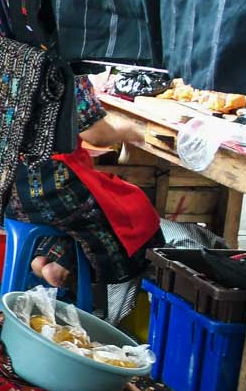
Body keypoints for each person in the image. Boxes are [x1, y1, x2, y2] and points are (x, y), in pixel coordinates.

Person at [16, 76, 160, 312]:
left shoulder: (13, 54)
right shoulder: (66, 69)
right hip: (50, 184)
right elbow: (96, 135)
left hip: (12, 187)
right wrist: (129, 131)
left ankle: (43, 260)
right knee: (134, 209)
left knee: (76, 223)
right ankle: (70, 275)